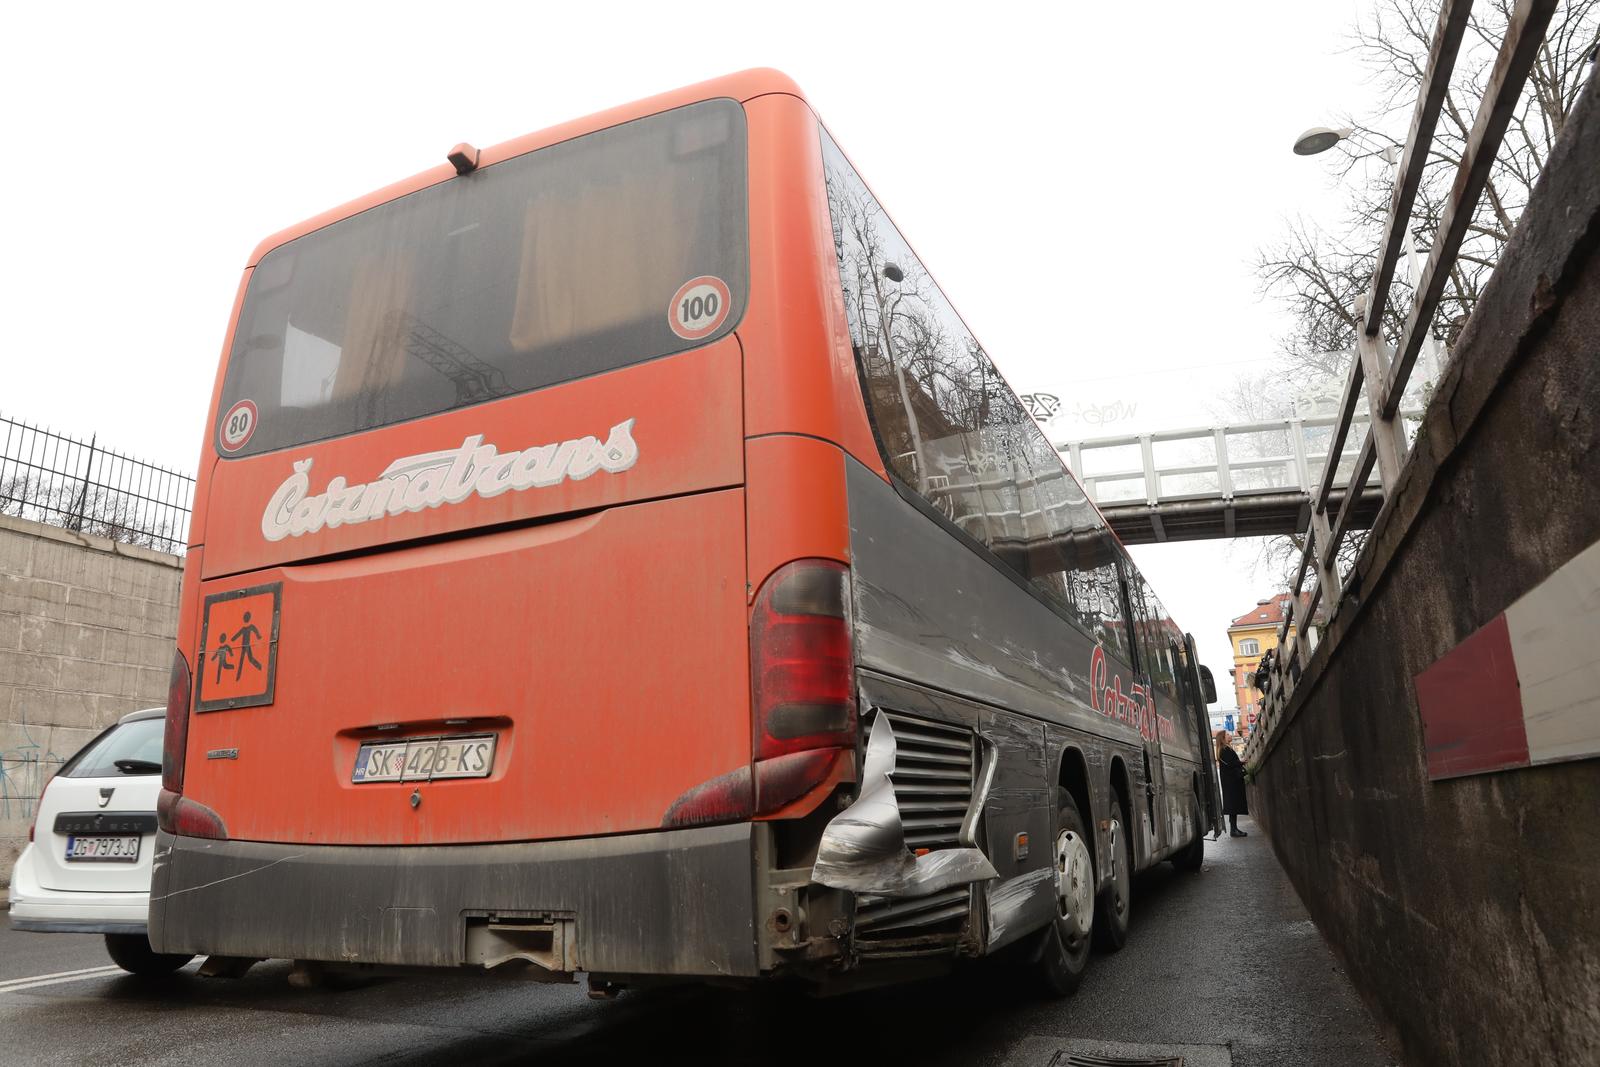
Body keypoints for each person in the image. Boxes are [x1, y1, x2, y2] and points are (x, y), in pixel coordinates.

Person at [1214, 729, 1249, 837]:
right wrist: (1241, 762)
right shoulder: (1225, 750)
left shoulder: (1224, 749)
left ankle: (1234, 829)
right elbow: (1231, 764)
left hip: (1230, 782)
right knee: (1233, 805)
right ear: (1223, 738)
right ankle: (1233, 830)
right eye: (1228, 734)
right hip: (1231, 782)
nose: (1230, 735)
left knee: (1233, 805)